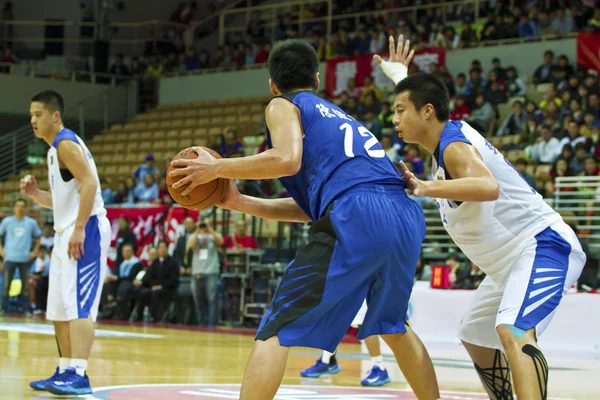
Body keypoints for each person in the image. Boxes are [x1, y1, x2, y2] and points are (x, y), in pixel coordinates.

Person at [169, 37, 439, 400]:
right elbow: (315, 210)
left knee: (274, 329)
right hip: (402, 213)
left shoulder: (283, 104)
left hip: (356, 210)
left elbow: (286, 158)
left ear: (272, 85)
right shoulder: (340, 116)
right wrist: (236, 200)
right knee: (394, 327)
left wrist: (215, 167)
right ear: (316, 77)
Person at [379, 39, 586, 400]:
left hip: (544, 245)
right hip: (510, 265)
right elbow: (427, 95)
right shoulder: (445, 140)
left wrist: (424, 188)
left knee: (513, 329)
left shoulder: (454, 146)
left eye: (400, 110)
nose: (394, 119)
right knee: (476, 333)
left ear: (427, 112)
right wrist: (399, 73)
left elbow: (487, 186)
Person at [21, 90, 111, 396]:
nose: (33, 120)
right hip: (65, 231)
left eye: (39, 114)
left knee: (79, 306)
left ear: (55, 116)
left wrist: (80, 228)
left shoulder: (66, 143)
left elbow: (90, 184)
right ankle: (64, 369)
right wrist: (36, 195)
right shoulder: (51, 151)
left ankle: (80, 373)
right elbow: (62, 202)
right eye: (31, 115)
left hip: (86, 230)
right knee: (58, 308)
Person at [300, 301, 391, 387]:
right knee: (333, 317)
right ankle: (327, 360)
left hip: (363, 287)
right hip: (346, 286)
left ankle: (379, 366)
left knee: (364, 323)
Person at [0, 198, 42, 317]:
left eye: (23, 206)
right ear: (14, 208)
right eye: (18, 206)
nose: (20, 208)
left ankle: (26, 310)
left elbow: (39, 237)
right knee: (6, 284)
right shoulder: (7, 222)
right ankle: (3, 308)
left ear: (26, 209)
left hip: (24, 259)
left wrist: (34, 252)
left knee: (26, 286)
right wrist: (1, 251)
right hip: (10, 258)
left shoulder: (31, 223)